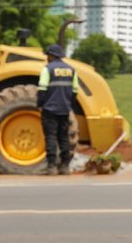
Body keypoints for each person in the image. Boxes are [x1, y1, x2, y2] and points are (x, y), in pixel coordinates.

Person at [37, 44, 78, 175]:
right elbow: (75, 90)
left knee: (51, 137)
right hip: (64, 109)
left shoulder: (47, 69)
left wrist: (39, 104)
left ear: (52, 55)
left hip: (50, 109)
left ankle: (51, 166)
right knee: (63, 137)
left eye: (48, 55)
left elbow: (42, 88)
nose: (47, 58)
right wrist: (68, 104)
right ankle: (65, 166)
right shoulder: (71, 70)